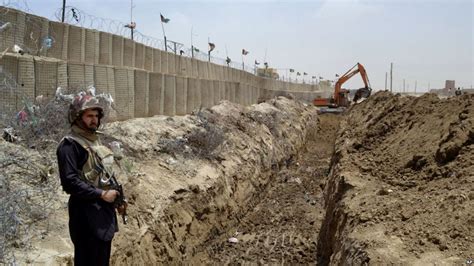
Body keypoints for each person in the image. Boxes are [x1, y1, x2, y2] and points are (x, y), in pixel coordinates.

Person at [57, 91, 126, 265]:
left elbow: (105, 174)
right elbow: (70, 182)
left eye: (96, 116)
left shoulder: (94, 141)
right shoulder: (69, 145)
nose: (94, 119)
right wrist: (101, 194)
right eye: (89, 115)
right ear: (77, 116)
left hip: (103, 212)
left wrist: (118, 199)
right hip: (85, 215)